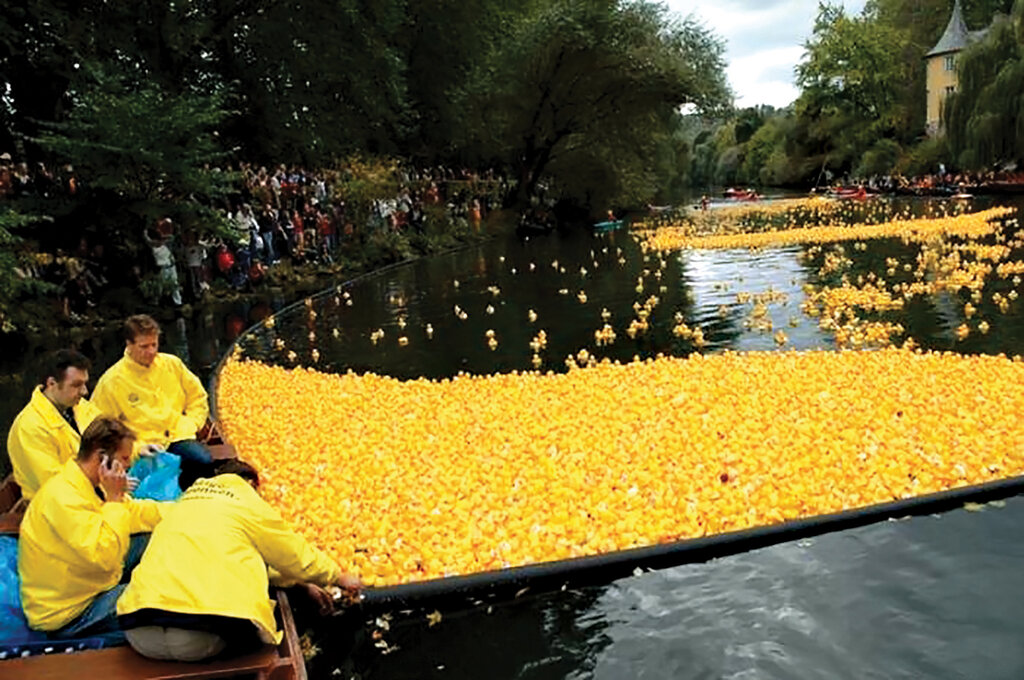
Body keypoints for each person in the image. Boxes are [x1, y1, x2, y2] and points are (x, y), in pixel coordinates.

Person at [118, 459, 360, 661]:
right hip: (201, 634)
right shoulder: (245, 500)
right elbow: (290, 551)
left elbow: (245, 556)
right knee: (254, 637)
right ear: (252, 484)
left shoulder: (185, 502)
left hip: (139, 631)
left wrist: (300, 585)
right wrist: (336, 576)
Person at [18, 417, 164, 640]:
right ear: (101, 458)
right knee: (162, 593)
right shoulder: (64, 498)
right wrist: (114, 499)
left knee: (154, 535)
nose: (128, 465)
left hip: (90, 580)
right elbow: (104, 554)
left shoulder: (89, 483)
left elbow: (133, 512)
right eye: (124, 458)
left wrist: (183, 510)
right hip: (71, 612)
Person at [90, 314, 213, 485]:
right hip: (142, 447)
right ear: (129, 344)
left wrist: (191, 423)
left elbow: (197, 397)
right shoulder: (111, 381)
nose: (151, 351)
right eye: (144, 346)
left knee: (203, 462)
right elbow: (101, 427)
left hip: (178, 436)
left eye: (154, 344)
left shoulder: (172, 364)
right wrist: (134, 449)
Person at [7, 349, 102, 500]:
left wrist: (136, 450)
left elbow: (111, 437)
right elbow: (55, 486)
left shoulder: (80, 406)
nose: (84, 391)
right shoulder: (30, 426)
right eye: (76, 385)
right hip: (58, 508)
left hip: (94, 492)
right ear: (51, 383)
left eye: (85, 384)